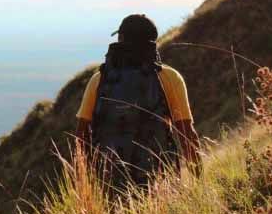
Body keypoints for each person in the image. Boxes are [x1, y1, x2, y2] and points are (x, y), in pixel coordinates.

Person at [74, 14, 202, 187]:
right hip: (159, 181)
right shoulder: (169, 77)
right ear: (153, 41)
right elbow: (186, 133)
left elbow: (81, 135)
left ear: (121, 39)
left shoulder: (99, 79)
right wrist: (199, 182)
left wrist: (86, 182)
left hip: (109, 182)